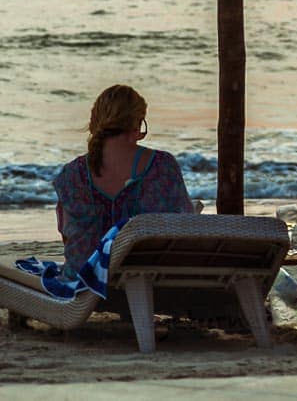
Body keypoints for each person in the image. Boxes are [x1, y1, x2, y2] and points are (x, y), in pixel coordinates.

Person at [53, 84, 194, 273]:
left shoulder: (70, 175)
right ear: (136, 124)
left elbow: (68, 238)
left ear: (95, 123)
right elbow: (186, 228)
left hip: (83, 285)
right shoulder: (162, 166)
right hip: (149, 278)